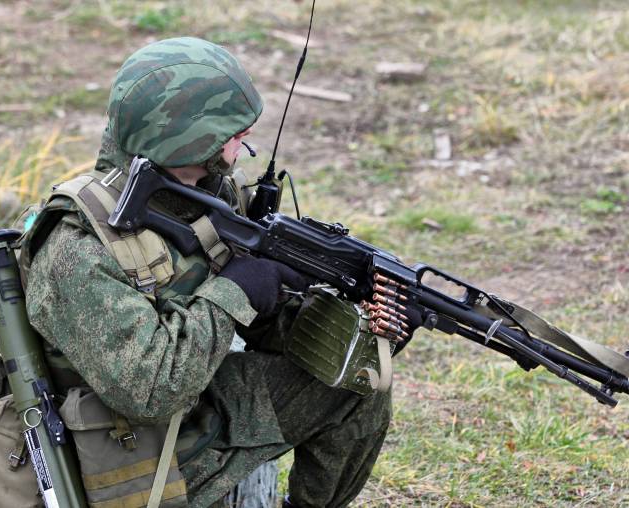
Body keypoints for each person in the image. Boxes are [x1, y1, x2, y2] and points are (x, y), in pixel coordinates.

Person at [20, 37, 394, 508]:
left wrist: (338, 322)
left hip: (198, 400)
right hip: (116, 451)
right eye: (231, 132)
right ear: (184, 140)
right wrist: (237, 291)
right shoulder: (77, 248)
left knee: (358, 384)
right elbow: (150, 392)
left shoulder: (206, 196)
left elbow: (253, 319)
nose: (244, 142)